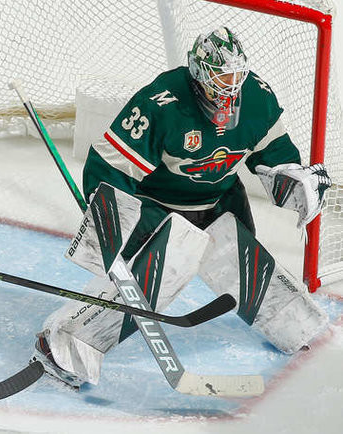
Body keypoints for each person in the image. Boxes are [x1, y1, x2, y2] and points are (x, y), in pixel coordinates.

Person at [31, 27, 332, 389]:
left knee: (241, 260)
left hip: (218, 201)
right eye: (220, 78)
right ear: (200, 73)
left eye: (235, 78)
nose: (229, 89)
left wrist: (295, 181)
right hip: (158, 208)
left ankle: (296, 325)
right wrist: (110, 216)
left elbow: (274, 155)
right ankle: (65, 343)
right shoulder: (161, 103)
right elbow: (110, 166)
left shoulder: (257, 97)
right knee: (159, 272)